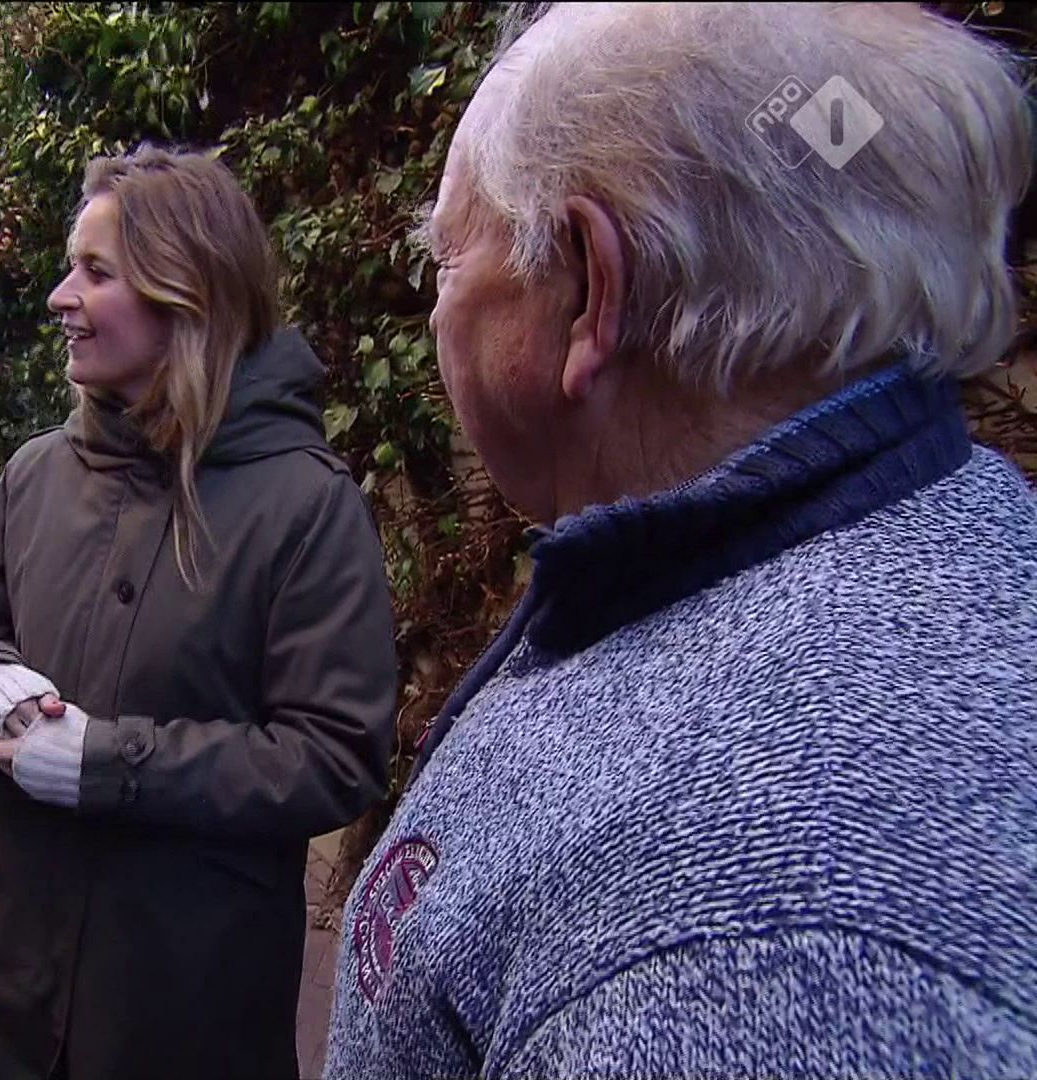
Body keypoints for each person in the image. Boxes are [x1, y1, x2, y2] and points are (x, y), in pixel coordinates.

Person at [328, 3, 1037, 1076]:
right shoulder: (922, 539)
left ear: (588, 288)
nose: (436, 314)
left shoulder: (751, 945)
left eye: (449, 259)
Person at [0, 145, 401, 1079]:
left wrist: (111, 764)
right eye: (70, 267)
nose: (61, 297)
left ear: (185, 291)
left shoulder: (304, 505)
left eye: (95, 272)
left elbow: (337, 757)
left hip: (184, 1024)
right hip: (10, 1012)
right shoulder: (34, 476)